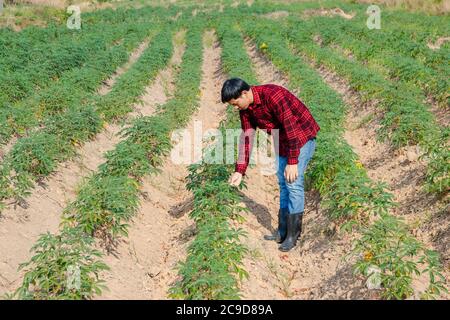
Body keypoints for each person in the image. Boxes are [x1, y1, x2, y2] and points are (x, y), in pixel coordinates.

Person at [221, 78, 320, 252]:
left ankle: (293, 235)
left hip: (301, 137)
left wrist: (293, 161)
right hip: (281, 140)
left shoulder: (274, 96)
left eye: (235, 103)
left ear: (244, 93)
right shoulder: (246, 110)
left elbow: (292, 129)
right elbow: (247, 138)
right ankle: (282, 231)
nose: (235, 108)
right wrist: (239, 171)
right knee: (283, 184)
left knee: (293, 183)